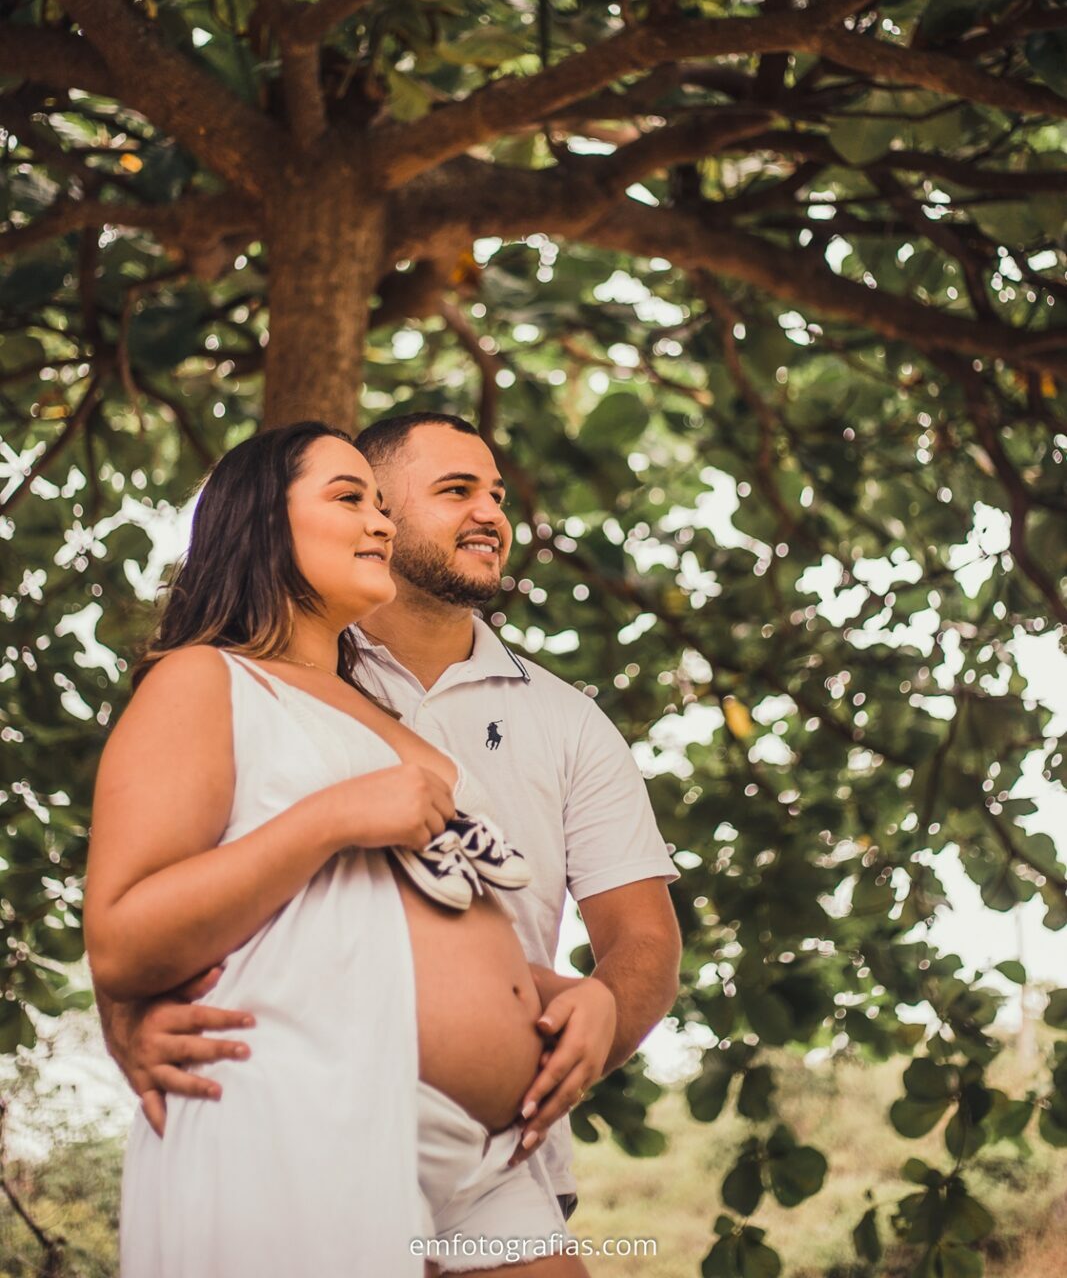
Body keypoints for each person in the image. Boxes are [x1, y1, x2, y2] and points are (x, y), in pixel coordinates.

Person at [97, 412, 682, 1227]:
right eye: (455, 490)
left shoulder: (564, 720)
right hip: (317, 1113)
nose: (491, 513)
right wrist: (124, 1012)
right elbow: (139, 896)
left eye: (496, 494)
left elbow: (622, 938)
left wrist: (583, 1008)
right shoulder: (240, 677)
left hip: (506, 1150)